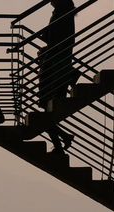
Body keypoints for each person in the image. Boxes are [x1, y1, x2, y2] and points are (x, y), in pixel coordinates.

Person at [39, 0, 77, 153]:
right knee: (47, 112)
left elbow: (52, 36)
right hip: (58, 66)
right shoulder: (64, 14)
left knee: (46, 111)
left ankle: (63, 141)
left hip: (56, 68)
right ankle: (62, 141)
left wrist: (46, 40)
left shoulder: (61, 15)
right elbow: (54, 37)